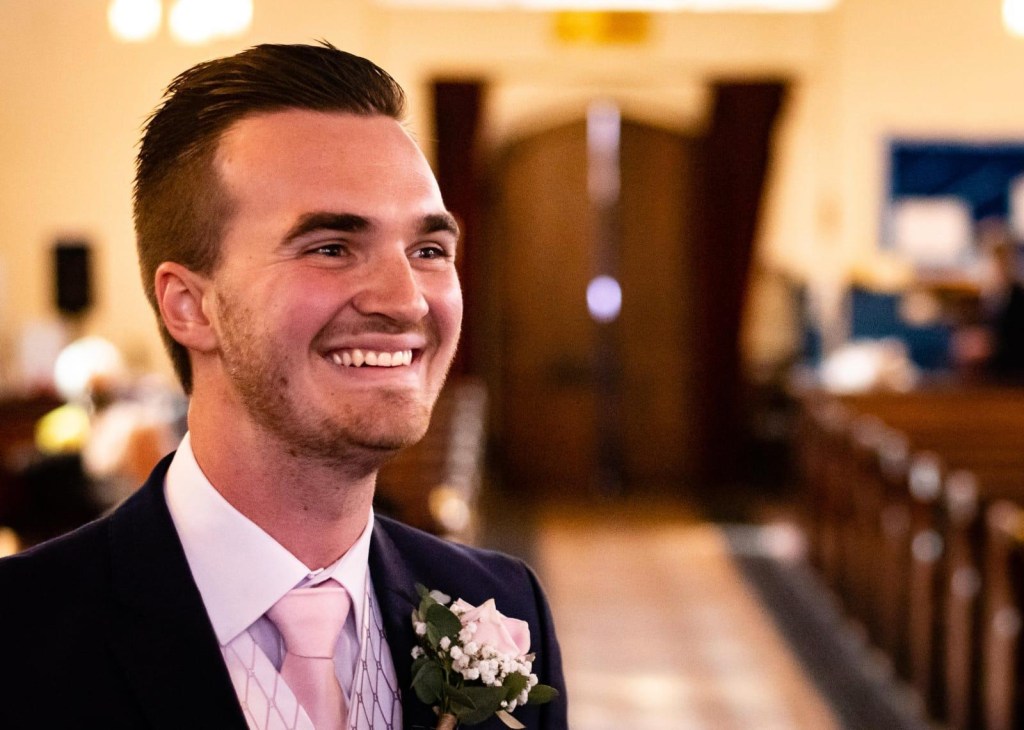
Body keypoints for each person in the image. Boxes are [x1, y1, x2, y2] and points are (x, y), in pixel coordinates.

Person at [0, 42, 567, 730]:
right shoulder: (22, 637)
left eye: (428, 251)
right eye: (331, 248)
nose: (406, 300)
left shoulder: (501, 609)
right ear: (190, 305)